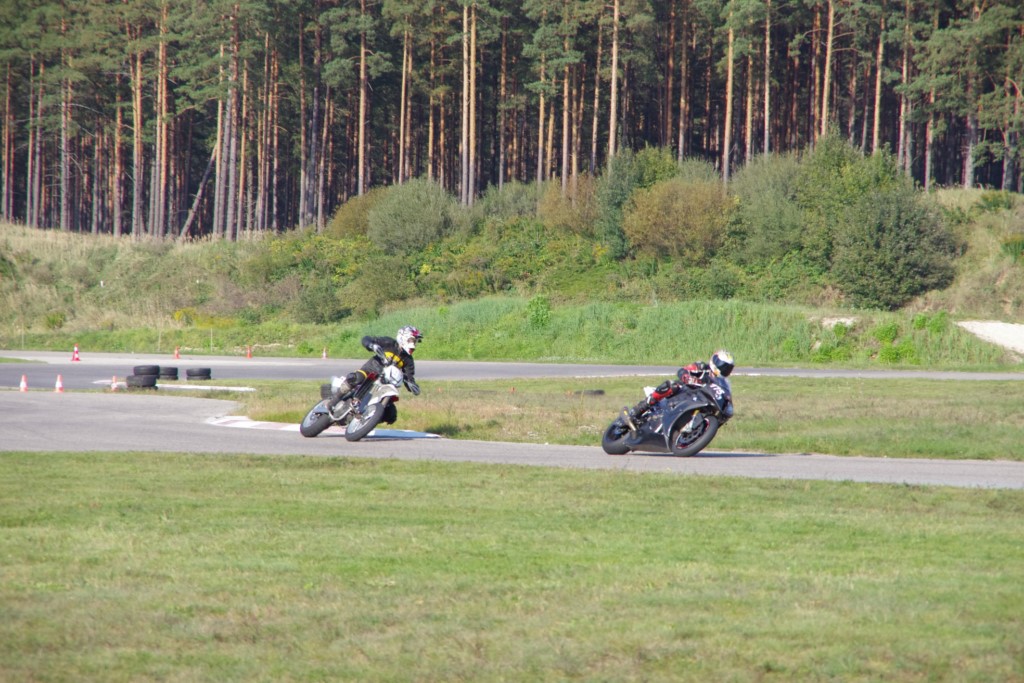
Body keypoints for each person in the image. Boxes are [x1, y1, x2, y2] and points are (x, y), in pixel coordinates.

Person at [622, 349, 735, 432]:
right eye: (723, 366)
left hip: (697, 401)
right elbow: (682, 371)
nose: (725, 369)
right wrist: (689, 378)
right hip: (682, 392)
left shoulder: (722, 382)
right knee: (672, 385)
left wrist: (727, 407)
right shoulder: (702, 367)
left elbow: (726, 395)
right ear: (714, 361)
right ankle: (638, 410)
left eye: (728, 368)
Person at [325, 326, 422, 415]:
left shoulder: (409, 360)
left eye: (415, 342)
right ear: (402, 337)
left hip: (386, 382)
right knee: (357, 378)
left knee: (391, 414)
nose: (413, 344)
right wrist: (371, 345)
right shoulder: (389, 342)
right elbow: (367, 339)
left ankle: (367, 418)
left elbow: (409, 377)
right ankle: (334, 401)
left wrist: (413, 386)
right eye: (411, 340)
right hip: (370, 370)